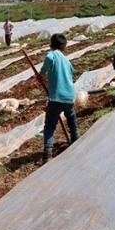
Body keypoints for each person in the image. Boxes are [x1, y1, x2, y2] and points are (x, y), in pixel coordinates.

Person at [38, 33, 79, 164]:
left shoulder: (52, 55)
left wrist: (41, 74)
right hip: (69, 96)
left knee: (50, 125)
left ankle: (48, 153)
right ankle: (75, 139)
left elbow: (48, 61)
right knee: (71, 117)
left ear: (51, 45)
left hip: (56, 97)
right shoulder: (67, 60)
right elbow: (71, 70)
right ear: (65, 47)